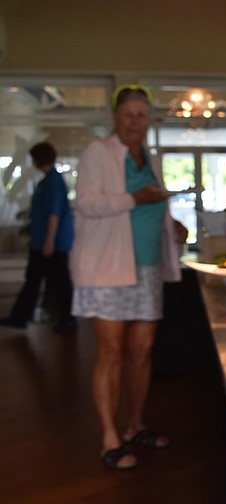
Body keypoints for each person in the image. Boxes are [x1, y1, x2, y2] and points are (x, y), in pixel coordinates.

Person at [71, 84, 187, 470]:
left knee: (141, 351)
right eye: (128, 114)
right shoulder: (98, 152)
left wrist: (171, 226)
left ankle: (135, 424)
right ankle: (109, 437)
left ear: (149, 119)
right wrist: (139, 199)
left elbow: (152, 204)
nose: (135, 121)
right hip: (106, 267)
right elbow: (86, 203)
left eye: (141, 114)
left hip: (148, 265)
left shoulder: (147, 156)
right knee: (111, 352)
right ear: (116, 118)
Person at [1, 142, 76, 332]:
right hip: (43, 241)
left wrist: (49, 241)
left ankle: (68, 317)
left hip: (51, 243)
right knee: (34, 278)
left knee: (59, 279)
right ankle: (20, 316)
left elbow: (54, 214)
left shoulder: (53, 182)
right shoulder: (48, 180)